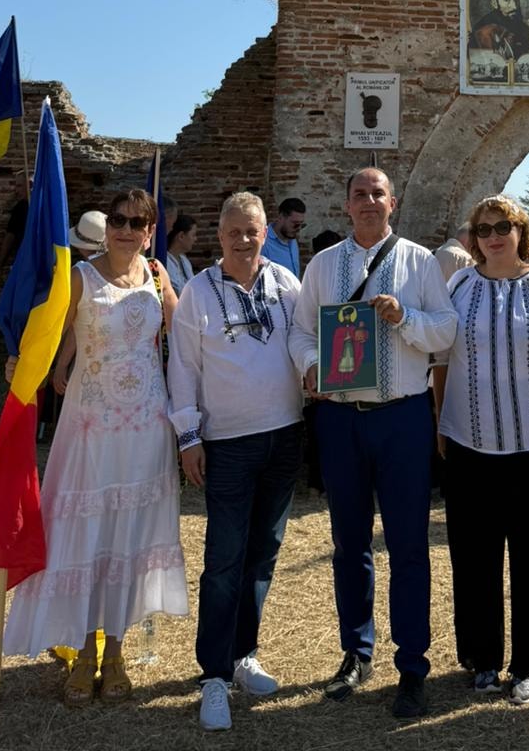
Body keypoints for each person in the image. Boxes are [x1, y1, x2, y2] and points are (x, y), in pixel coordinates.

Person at [3, 188, 188, 704]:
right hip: (91, 431)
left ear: (150, 232)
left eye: (137, 223)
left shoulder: (158, 276)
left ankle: (117, 651)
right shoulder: (81, 277)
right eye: (118, 220)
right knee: (87, 538)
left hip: (146, 430)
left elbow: (188, 339)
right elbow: (49, 333)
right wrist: (26, 366)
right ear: (106, 227)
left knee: (129, 540)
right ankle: (85, 652)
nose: (126, 230)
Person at [291, 167, 456, 720]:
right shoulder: (322, 264)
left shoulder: (420, 261)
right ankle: (356, 653)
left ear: (393, 202)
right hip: (341, 419)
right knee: (349, 543)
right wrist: (311, 365)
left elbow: (446, 329)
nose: (368, 201)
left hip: (402, 417)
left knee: (408, 545)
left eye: (377, 193)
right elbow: (301, 331)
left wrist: (405, 317)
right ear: (347, 204)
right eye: (359, 194)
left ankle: (412, 664)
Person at [168, 191, 305, 731]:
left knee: (263, 554)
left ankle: (244, 653)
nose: (244, 240)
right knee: (224, 561)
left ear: (264, 232)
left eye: (252, 231)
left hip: (284, 436)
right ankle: (214, 676)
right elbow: (182, 368)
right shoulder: (198, 292)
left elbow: (306, 341)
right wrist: (188, 438)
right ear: (220, 236)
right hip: (227, 443)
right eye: (234, 232)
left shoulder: (286, 284)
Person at [432, 195, 529, 707]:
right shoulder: (457, 286)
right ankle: (483, 658)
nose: (493, 236)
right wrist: (440, 421)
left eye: (503, 227)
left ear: (521, 232)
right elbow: (441, 359)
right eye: (483, 228)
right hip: (470, 443)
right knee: (475, 558)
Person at [263, 197, 306, 276]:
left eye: (301, 224)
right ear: (281, 217)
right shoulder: (263, 243)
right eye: (295, 224)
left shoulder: (292, 239)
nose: (298, 229)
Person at [165, 213, 199, 294]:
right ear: (181, 236)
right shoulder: (165, 261)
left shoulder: (184, 260)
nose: (195, 239)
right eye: (193, 235)